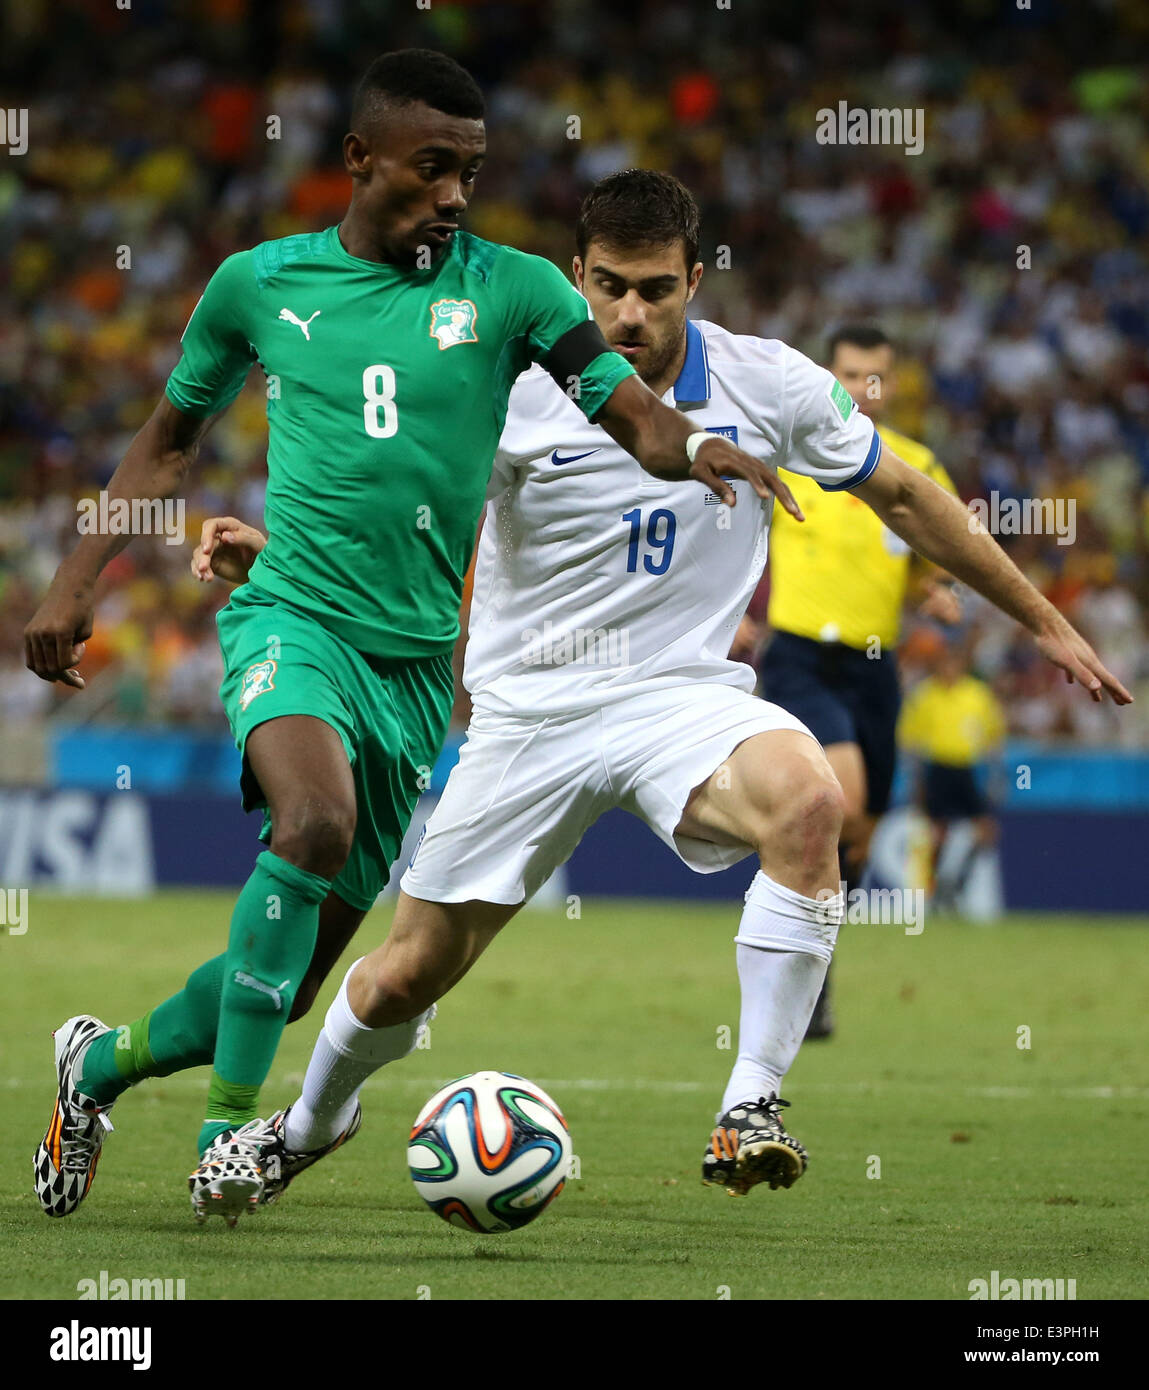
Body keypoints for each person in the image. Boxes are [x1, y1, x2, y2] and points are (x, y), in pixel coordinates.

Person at [195, 170, 1129, 1209]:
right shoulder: (506, 384)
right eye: (608, 288)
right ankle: (307, 1124)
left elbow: (905, 496)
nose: (629, 313)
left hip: (681, 698)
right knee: (407, 972)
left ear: (694, 277)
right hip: (529, 712)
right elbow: (404, 514)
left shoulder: (767, 383)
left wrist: (1044, 620)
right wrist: (280, 558)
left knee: (811, 799)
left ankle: (749, 1109)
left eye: (654, 289)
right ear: (576, 277)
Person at [24, 56, 796, 1227]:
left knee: (281, 991)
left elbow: (628, 408)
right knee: (314, 820)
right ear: (360, 161)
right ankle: (229, 1132)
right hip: (294, 614)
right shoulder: (259, 285)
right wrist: (76, 582)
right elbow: (167, 441)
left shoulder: (516, 289)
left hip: (414, 672)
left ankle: (100, 1064)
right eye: (434, 169)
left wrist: (696, 450)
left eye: (471, 174)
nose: (454, 196)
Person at [752, 323, 963, 1037]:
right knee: (835, 796)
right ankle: (800, 991)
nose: (862, 390)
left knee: (853, 836)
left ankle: (809, 973)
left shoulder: (915, 466)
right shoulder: (786, 452)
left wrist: (931, 594)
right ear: (827, 375)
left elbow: (932, 562)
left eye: (875, 376)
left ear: (892, 383)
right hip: (798, 657)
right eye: (849, 374)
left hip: (875, 671)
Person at [898, 640, 1007, 912]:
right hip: (937, 768)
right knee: (936, 834)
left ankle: (956, 882)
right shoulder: (924, 695)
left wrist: (996, 775)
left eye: (954, 662)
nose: (949, 668)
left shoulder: (977, 695)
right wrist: (917, 782)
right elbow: (912, 743)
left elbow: (993, 738)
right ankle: (936, 892)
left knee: (985, 832)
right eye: (945, 662)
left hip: (967, 769)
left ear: (963, 665)